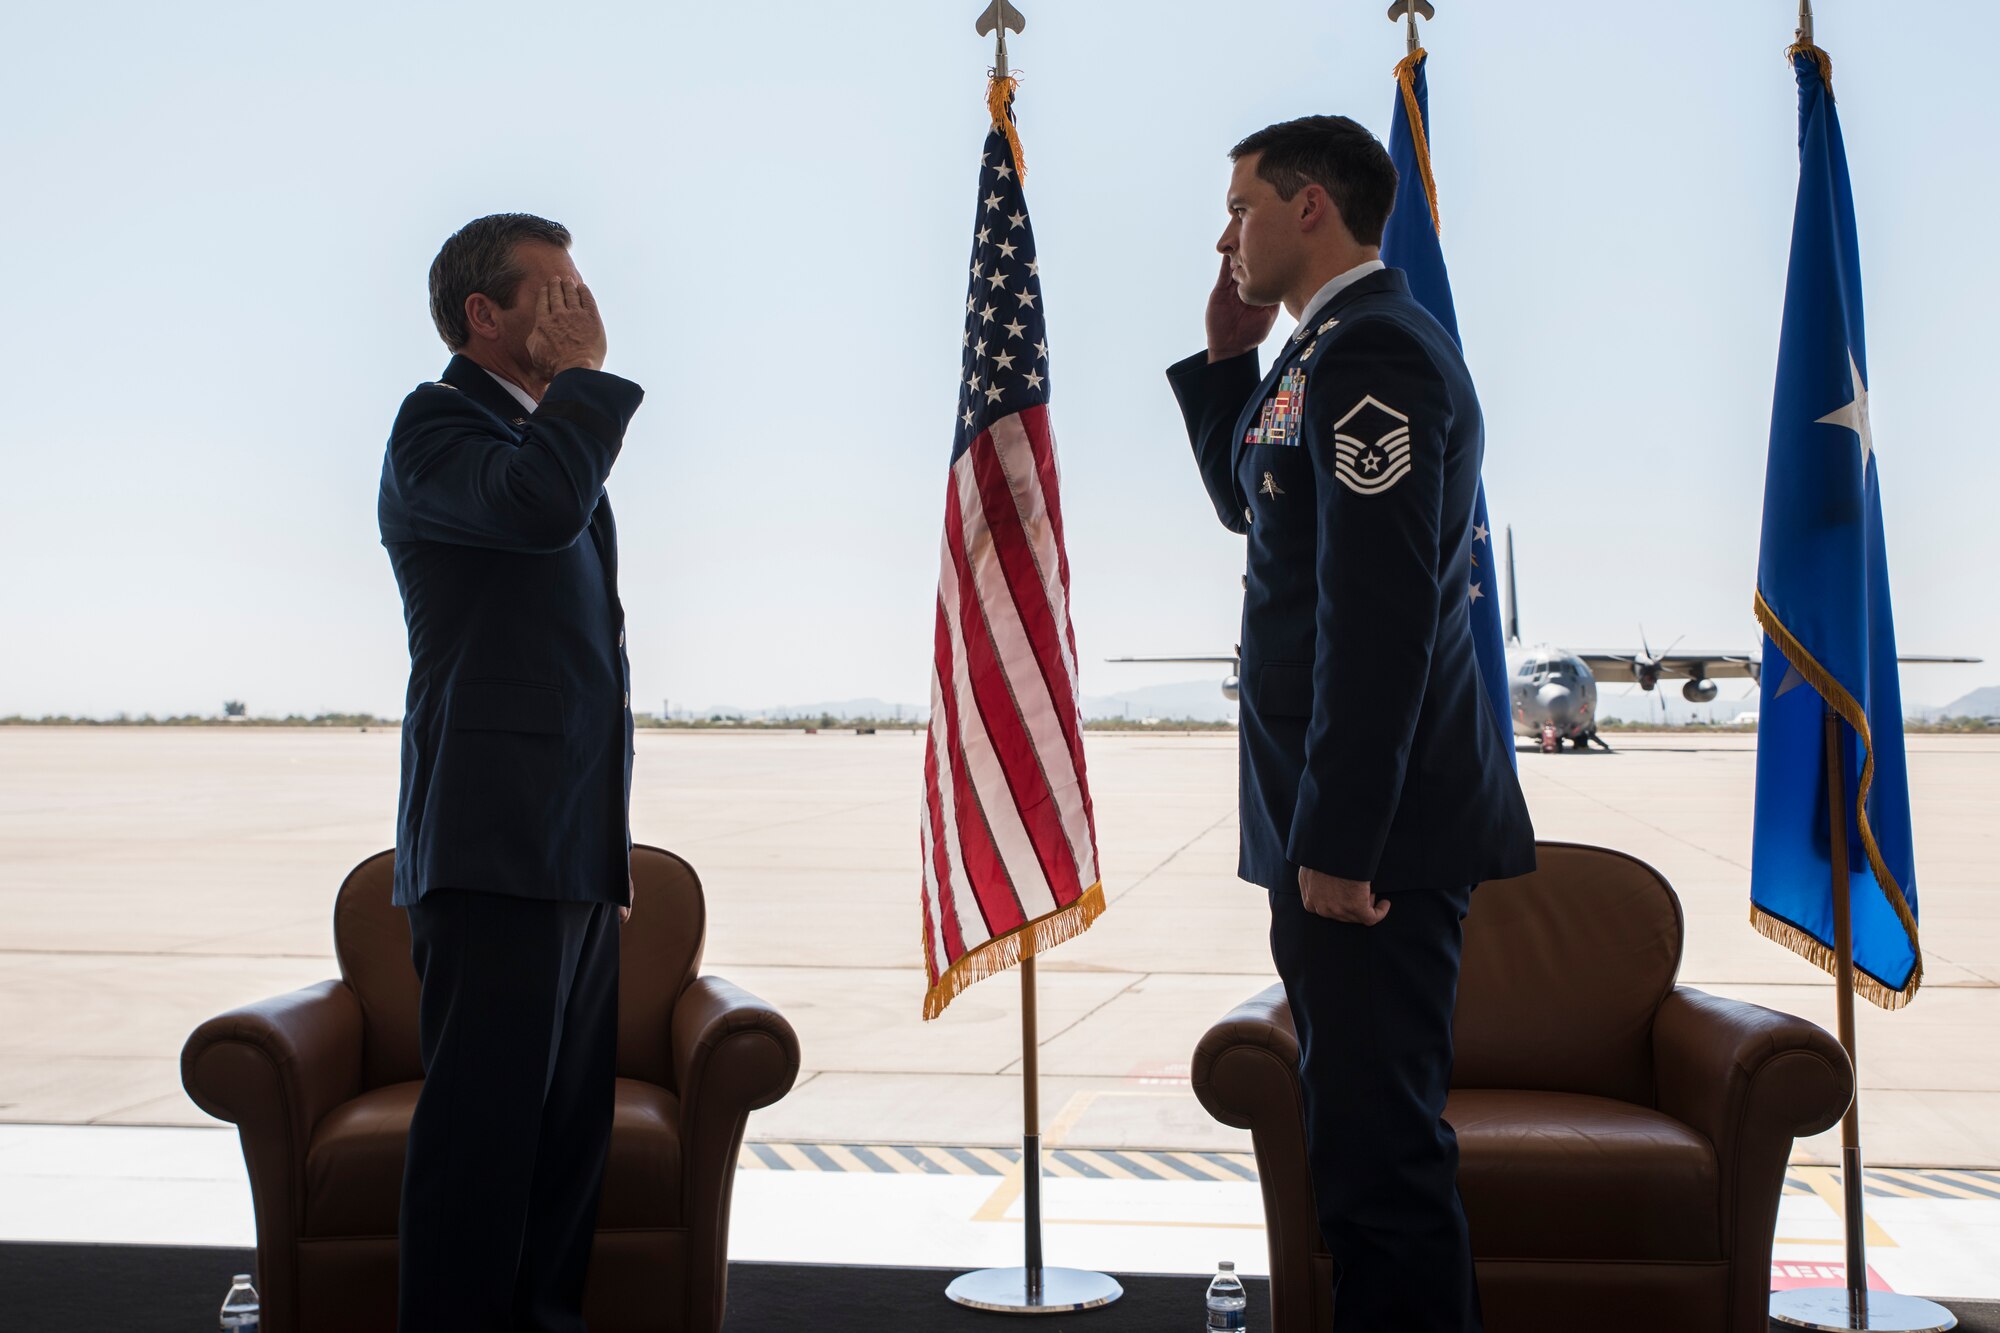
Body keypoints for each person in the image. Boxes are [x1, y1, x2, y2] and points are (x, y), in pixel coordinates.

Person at [1165, 117, 1535, 1331]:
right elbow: (1251, 500)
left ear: (1308, 205)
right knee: (1357, 1155)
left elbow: (1376, 623)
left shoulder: (1374, 354)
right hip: (1337, 830)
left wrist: (1338, 841)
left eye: (1240, 208)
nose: (1225, 235)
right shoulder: (1315, 353)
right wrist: (1226, 362)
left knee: (1381, 1173)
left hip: (1372, 845)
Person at [378, 212, 645, 1331]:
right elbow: (535, 513)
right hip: (492, 844)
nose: (579, 308)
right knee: (482, 1149)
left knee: (561, 1143)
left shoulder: (545, 439)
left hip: (570, 841)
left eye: (581, 286)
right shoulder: (436, 428)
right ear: (484, 315)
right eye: (554, 291)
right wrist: (585, 381)